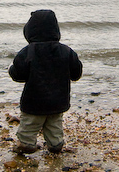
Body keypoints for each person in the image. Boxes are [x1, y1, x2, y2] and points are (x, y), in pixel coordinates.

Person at [9, 9, 83, 154]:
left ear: (29, 31)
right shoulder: (66, 51)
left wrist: (12, 70)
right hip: (58, 101)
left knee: (29, 124)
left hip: (34, 101)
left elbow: (18, 74)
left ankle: (26, 143)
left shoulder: (28, 51)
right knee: (54, 124)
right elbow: (76, 73)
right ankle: (55, 144)